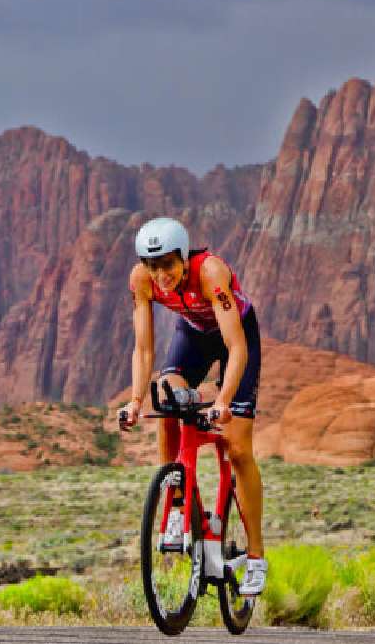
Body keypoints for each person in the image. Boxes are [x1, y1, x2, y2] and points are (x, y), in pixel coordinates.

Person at [118, 216, 266, 596]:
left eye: (168, 264)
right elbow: (145, 348)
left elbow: (236, 349)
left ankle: (255, 557)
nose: (161, 274)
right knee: (166, 401)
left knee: (237, 448)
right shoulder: (141, 280)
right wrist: (135, 402)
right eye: (153, 266)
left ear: (183, 257)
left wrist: (222, 401)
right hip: (194, 336)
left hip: (236, 337)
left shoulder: (210, 272)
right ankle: (176, 506)